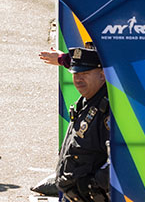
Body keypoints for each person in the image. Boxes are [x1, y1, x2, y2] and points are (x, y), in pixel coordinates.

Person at [37, 46, 110, 201]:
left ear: (102, 76)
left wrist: (93, 185)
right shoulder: (86, 101)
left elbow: (118, 159)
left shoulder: (108, 110)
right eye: (75, 73)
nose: (78, 79)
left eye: (84, 74)